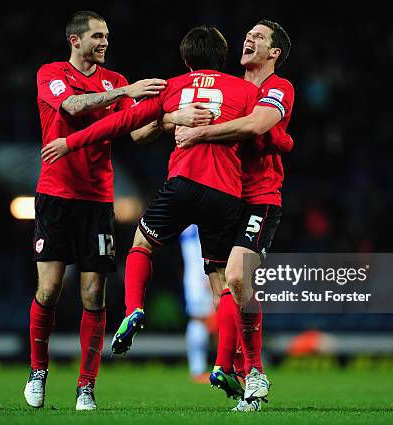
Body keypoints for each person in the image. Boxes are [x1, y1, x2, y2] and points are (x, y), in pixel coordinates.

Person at [41, 26, 268, 378]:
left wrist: (71, 143)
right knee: (223, 280)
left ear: (186, 58)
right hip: (225, 192)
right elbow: (265, 138)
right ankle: (225, 365)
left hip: (181, 184)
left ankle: (134, 308)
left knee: (141, 244)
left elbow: (122, 124)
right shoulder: (245, 90)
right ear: (224, 58)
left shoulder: (172, 86)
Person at [24, 10, 173, 411]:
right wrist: (124, 95)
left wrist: (167, 115)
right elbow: (72, 106)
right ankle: (38, 373)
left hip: (98, 200)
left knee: (94, 294)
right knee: (50, 289)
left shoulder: (117, 81)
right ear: (75, 40)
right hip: (56, 194)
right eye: (98, 36)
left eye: (107, 36)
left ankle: (86, 387)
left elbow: (137, 132)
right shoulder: (52, 73)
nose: (105, 42)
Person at [174, 20, 294, 412]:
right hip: (221, 195)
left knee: (239, 276)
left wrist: (201, 133)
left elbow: (258, 124)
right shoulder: (230, 87)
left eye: (259, 38)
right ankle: (240, 375)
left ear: (274, 52)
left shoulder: (278, 88)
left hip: (259, 197)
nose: (249, 39)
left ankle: (255, 371)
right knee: (221, 293)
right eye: (248, 35)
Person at [180, 225, 215, 383]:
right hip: (200, 275)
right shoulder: (197, 217)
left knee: (209, 318)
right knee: (199, 318)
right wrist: (207, 275)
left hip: (199, 273)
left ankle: (203, 368)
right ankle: (197, 369)